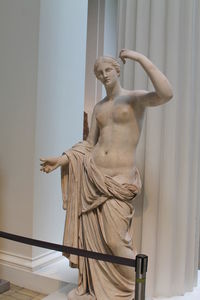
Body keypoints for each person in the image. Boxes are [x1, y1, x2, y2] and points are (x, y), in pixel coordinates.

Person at [40, 49, 173, 299]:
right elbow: (89, 144)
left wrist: (139, 57)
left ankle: (136, 290)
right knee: (94, 242)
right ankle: (95, 288)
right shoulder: (98, 108)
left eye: (107, 70)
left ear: (118, 70)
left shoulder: (134, 99)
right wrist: (61, 160)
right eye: (99, 73)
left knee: (114, 241)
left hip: (119, 182)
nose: (103, 75)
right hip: (92, 178)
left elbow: (166, 93)